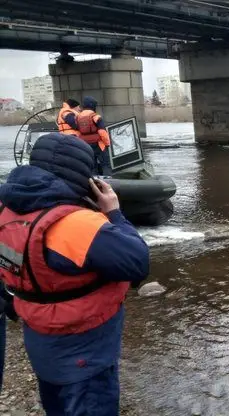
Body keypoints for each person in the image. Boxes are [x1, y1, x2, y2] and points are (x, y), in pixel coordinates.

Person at [0, 133, 149, 414]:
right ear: (85, 178)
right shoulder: (76, 226)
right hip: (85, 351)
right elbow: (138, 261)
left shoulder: (6, 213)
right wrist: (115, 213)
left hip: (42, 345)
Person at [76, 96, 112, 176]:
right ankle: (109, 183)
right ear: (93, 105)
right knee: (105, 165)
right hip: (99, 144)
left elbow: (78, 132)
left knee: (92, 166)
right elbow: (102, 132)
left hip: (85, 145)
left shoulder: (78, 117)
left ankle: (95, 184)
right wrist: (107, 144)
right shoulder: (96, 116)